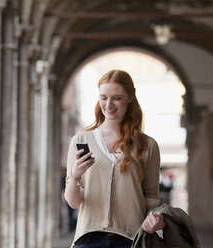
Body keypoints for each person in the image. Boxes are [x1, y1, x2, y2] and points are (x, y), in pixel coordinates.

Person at [64, 69, 165, 248]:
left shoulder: (148, 145)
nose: (109, 104)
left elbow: (151, 197)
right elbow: (73, 202)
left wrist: (155, 220)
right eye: (103, 97)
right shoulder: (81, 140)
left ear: (130, 97)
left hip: (131, 239)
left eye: (117, 98)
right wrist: (75, 175)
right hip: (88, 239)